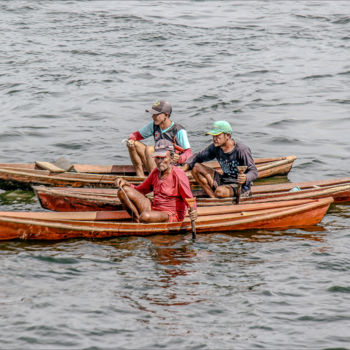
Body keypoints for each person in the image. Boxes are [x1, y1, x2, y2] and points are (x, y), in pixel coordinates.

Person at [115, 139, 197, 223]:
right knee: (122, 191)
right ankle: (137, 220)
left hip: (171, 214)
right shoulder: (155, 172)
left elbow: (189, 198)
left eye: (163, 158)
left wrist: (193, 211)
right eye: (157, 158)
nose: (160, 162)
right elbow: (141, 190)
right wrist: (127, 184)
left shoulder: (179, 174)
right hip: (154, 208)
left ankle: (142, 219)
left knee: (145, 216)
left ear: (171, 157)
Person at [183, 120, 258, 199]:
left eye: (218, 136)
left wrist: (245, 177)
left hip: (239, 186)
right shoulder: (215, 147)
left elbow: (253, 171)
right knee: (196, 167)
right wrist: (186, 166)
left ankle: (216, 194)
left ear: (228, 136)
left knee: (220, 192)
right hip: (224, 180)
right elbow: (199, 157)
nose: (215, 139)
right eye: (213, 136)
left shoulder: (242, 150)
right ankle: (213, 197)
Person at [126, 100, 193, 177]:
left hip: (171, 165)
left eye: (156, 114)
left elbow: (189, 153)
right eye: (152, 114)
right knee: (133, 143)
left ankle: (157, 179)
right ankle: (141, 176)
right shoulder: (154, 125)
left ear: (166, 115)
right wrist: (131, 139)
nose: (152, 116)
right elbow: (135, 135)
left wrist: (179, 158)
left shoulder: (179, 130)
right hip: (158, 161)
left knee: (149, 149)